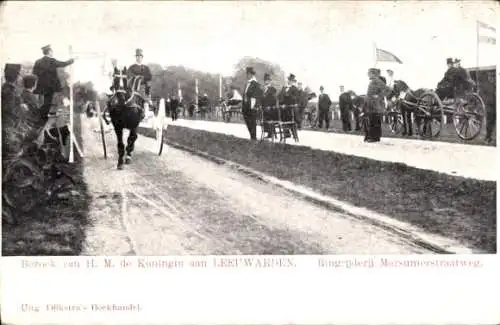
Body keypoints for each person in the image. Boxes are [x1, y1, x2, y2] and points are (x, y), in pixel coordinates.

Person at [32, 45, 74, 122]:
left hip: (41, 85)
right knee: (48, 101)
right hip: (50, 85)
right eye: (52, 51)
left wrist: (42, 75)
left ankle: (41, 115)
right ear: (49, 52)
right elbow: (63, 63)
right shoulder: (52, 61)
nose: (52, 53)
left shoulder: (38, 61)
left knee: (42, 101)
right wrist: (72, 60)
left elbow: (34, 72)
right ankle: (42, 116)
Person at [365, 68, 390, 142]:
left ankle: (374, 137)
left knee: (374, 121)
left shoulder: (377, 81)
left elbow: (388, 90)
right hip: (371, 104)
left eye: (369, 73)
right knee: (373, 120)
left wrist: (379, 96)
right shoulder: (373, 81)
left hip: (375, 105)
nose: (368, 74)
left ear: (373, 74)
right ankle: (374, 137)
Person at [127, 48, 153, 119]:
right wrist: (135, 77)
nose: (139, 58)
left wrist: (143, 78)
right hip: (133, 86)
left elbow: (149, 76)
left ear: (142, 57)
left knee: (145, 98)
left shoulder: (146, 67)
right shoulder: (132, 67)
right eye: (137, 56)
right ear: (136, 57)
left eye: (140, 56)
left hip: (143, 86)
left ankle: (146, 112)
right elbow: (128, 75)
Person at [242, 66, 262, 140]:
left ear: (251, 75)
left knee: (252, 122)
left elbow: (256, 96)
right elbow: (245, 94)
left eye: (248, 74)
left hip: (252, 106)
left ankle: (253, 137)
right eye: (247, 74)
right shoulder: (247, 83)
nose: (247, 75)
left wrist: (253, 106)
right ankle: (252, 136)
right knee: (247, 121)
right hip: (245, 106)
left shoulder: (255, 84)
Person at [261, 73, 278, 138]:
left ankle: (271, 133)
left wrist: (270, 106)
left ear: (270, 81)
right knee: (263, 116)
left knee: (268, 116)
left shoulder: (273, 89)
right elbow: (262, 98)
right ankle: (268, 133)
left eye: (268, 80)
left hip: (271, 108)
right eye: (265, 80)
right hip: (264, 107)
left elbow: (274, 99)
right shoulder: (263, 89)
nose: (266, 81)